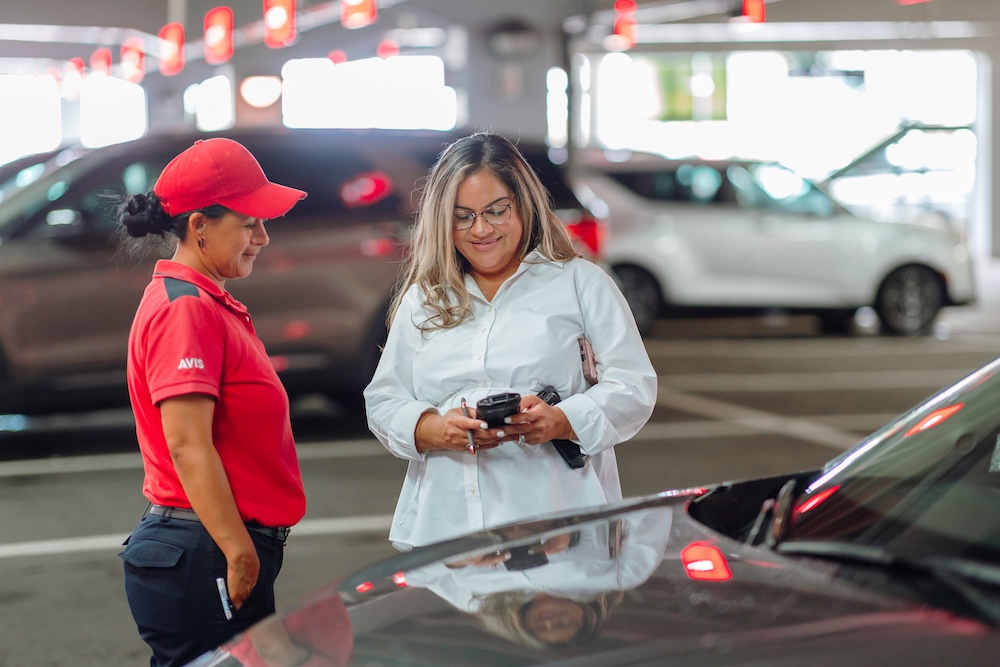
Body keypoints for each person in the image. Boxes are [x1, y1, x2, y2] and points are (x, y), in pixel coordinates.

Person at [364, 131, 657, 551]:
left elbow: (634, 385)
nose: (481, 229)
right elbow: (383, 399)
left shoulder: (581, 283)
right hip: (445, 526)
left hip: (559, 524)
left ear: (524, 205)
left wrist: (562, 420)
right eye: (462, 216)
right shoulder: (424, 298)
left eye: (496, 211)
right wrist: (435, 429)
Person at [115, 137, 308, 667]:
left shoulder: (204, 301)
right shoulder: (186, 308)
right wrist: (238, 550)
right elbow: (186, 443)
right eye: (250, 223)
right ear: (200, 225)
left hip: (207, 543)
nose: (263, 237)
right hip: (206, 546)